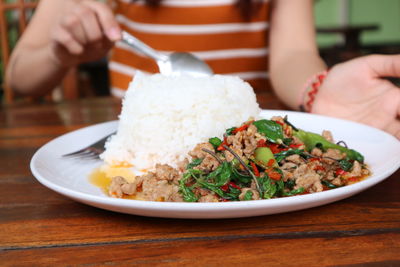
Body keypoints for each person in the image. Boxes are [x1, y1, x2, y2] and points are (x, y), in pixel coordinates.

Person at [6, 0, 400, 139]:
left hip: (247, 145)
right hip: (135, 149)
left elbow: (292, 55)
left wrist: (318, 87)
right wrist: (61, 52)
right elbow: (20, 75)